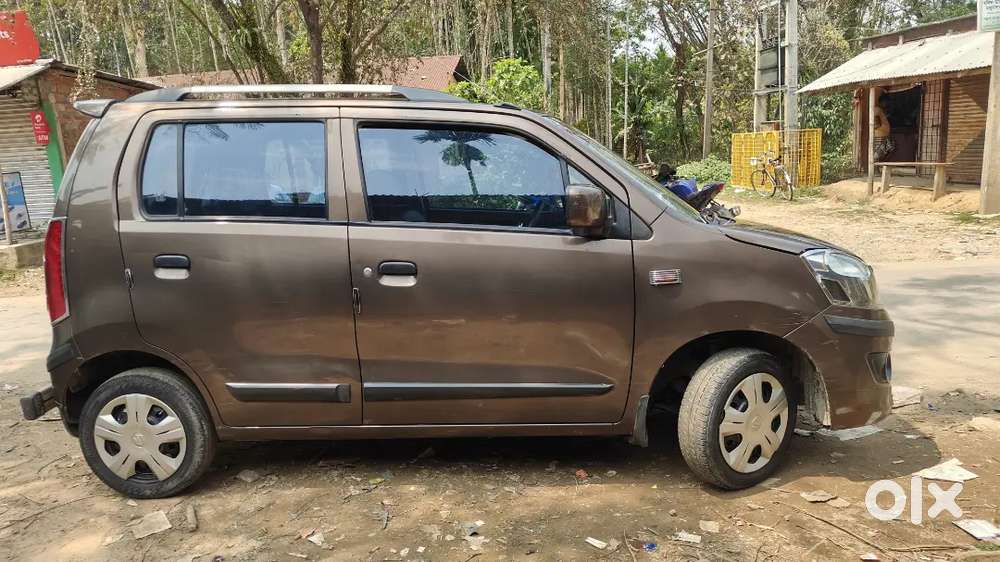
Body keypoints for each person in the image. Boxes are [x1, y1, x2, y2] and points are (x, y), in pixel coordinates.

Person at [872, 88, 894, 161]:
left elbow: (876, 125)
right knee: (876, 156)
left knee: (876, 156)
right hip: (881, 136)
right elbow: (876, 124)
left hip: (882, 136)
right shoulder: (878, 110)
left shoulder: (880, 111)